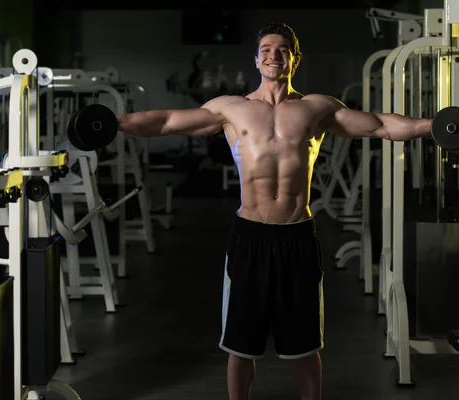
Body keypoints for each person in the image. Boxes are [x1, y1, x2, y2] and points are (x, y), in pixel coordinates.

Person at [116, 21, 431, 400]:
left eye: (282, 49)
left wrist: (436, 126)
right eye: (266, 49)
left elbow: (380, 125)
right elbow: (166, 121)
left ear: (294, 59)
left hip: (297, 235)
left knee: (306, 345)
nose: (273, 55)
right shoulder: (231, 109)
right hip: (250, 236)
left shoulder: (317, 108)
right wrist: (113, 124)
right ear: (256, 59)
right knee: (240, 344)